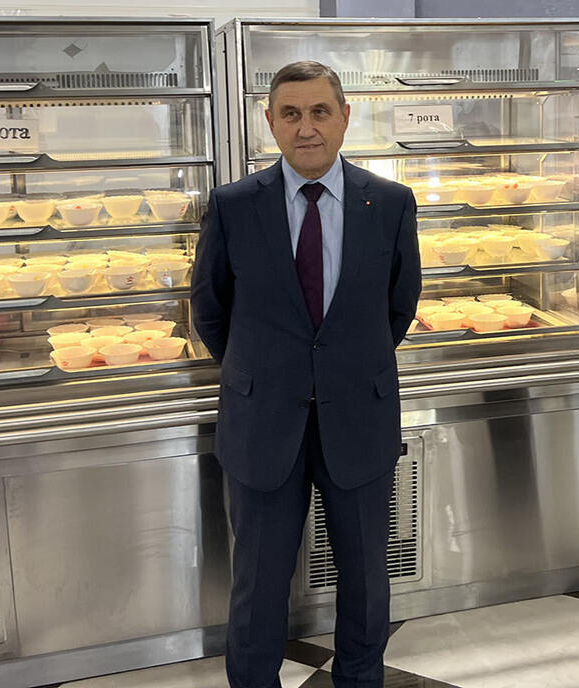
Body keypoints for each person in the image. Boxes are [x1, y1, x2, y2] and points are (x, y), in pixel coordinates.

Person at [192, 60, 422, 688]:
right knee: (258, 582)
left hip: (360, 415)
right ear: (270, 123)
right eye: (290, 114)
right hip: (263, 419)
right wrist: (267, 371)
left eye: (320, 111)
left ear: (344, 117)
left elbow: (399, 305)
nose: (306, 127)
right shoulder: (234, 206)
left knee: (366, 579)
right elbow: (210, 310)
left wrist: (342, 363)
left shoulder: (390, 203)